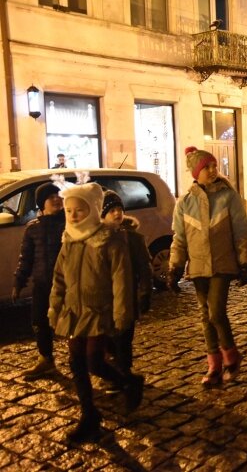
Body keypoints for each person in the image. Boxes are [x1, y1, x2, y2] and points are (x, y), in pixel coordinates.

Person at [48, 182, 143, 443]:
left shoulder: (109, 239)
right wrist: (55, 306)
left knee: (93, 361)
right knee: (76, 362)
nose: (73, 215)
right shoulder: (68, 239)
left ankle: (128, 381)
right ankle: (89, 415)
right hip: (74, 311)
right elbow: (59, 277)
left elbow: (121, 278)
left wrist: (122, 312)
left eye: (79, 210)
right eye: (68, 211)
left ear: (91, 210)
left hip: (99, 310)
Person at [168, 147, 247, 386]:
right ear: (196, 172)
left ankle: (231, 356)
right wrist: (175, 267)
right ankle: (214, 365)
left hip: (222, 264)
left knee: (215, 311)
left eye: (214, 165)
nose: (213, 170)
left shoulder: (228, 196)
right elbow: (180, 239)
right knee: (205, 316)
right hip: (197, 267)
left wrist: (246, 261)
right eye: (207, 167)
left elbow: (240, 232)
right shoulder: (185, 202)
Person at [12, 182, 65, 379]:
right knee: (39, 322)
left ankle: (98, 357)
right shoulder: (32, 228)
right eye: (51, 197)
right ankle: (46, 360)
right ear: (42, 203)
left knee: (74, 323)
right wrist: (19, 282)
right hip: (42, 284)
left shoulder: (68, 223)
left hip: (66, 284)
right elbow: (26, 258)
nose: (56, 199)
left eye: (58, 195)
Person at [100, 190, 152, 380]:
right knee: (107, 337)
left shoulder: (134, 238)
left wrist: (145, 292)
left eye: (119, 209)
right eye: (111, 210)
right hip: (105, 298)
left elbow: (144, 268)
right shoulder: (98, 240)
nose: (117, 213)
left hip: (127, 297)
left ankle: (124, 370)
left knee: (124, 336)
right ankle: (112, 370)